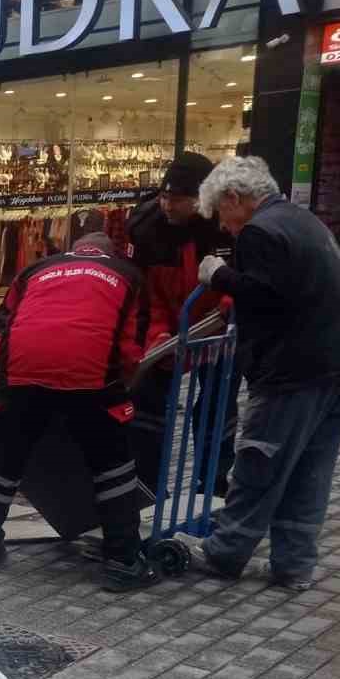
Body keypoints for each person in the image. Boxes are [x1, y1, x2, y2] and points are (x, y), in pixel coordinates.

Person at [176, 157, 340, 590]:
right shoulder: (303, 221)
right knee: (310, 471)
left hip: (294, 371)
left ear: (234, 198)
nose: (224, 227)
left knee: (259, 462)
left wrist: (218, 275)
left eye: (222, 214)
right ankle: (293, 565)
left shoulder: (260, 231)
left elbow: (265, 296)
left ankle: (224, 553)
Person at [0, 232, 155, 590]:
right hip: (90, 373)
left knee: (4, 458)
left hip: (24, 369)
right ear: (106, 253)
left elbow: (2, 328)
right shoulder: (127, 274)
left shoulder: (37, 268)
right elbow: (131, 345)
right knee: (112, 464)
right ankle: (123, 561)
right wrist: (121, 385)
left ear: (75, 250)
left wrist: (11, 377)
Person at [127, 151, 236, 495]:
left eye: (177, 200)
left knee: (217, 403)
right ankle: (148, 485)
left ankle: (212, 482)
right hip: (168, 326)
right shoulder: (146, 229)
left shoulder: (230, 225)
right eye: (164, 197)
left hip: (219, 326)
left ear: (202, 198)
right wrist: (158, 333)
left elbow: (249, 273)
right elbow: (145, 293)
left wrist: (227, 306)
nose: (167, 206)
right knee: (149, 404)